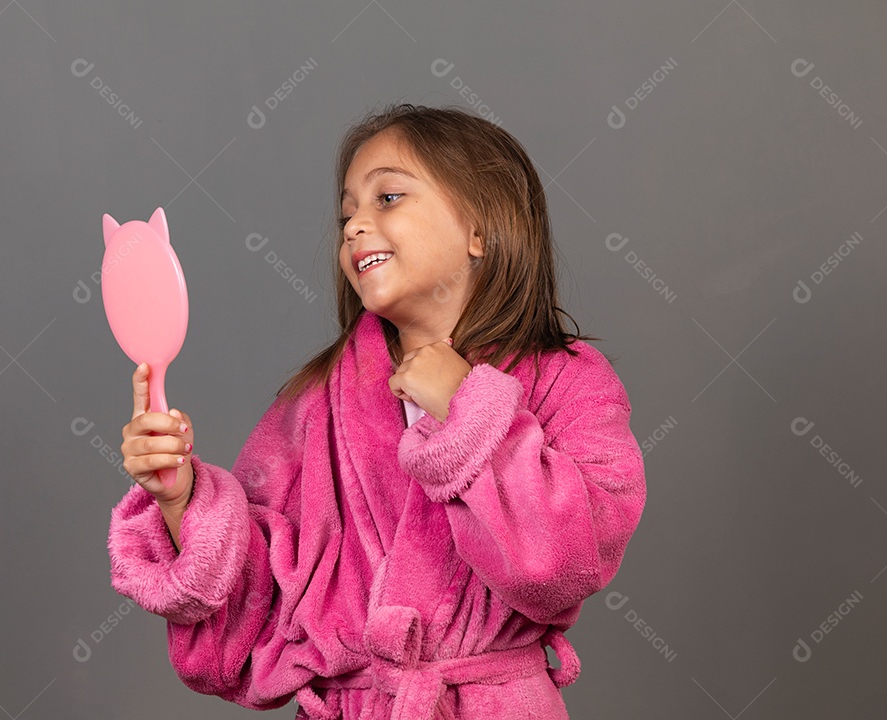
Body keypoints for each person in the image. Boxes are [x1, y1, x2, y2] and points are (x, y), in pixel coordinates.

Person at [108, 103, 647, 719]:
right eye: (346, 215)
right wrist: (183, 504)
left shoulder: (568, 380)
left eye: (387, 197)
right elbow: (259, 619)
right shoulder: (318, 401)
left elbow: (567, 561)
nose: (356, 226)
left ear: (479, 228)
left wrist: (467, 409)